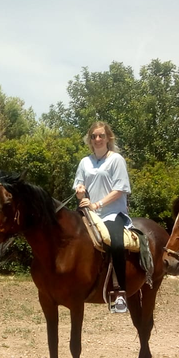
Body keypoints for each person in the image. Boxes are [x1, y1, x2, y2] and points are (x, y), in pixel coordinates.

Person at [73, 121, 132, 313]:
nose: (97, 139)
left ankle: (119, 294)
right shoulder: (84, 162)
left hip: (112, 213)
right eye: (93, 136)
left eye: (101, 136)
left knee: (116, 243)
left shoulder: (116, 160)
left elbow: (119, 189)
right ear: (89, 140)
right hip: (88, 213)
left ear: (108, 138)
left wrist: (97, 204)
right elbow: (79, 188)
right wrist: (80, 192)